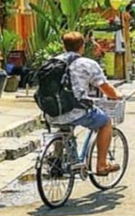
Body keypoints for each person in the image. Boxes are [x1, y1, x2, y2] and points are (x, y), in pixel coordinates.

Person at [47, 32, 123, 175]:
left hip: (52, 111)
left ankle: (57, 159)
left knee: (64, 126)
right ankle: (102, 165)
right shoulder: (87, 64)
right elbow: (105, 88)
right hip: (77, 110)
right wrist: (117, 95)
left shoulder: (52, 62)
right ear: (82, 46)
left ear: (63, 46)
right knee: (105, 123)